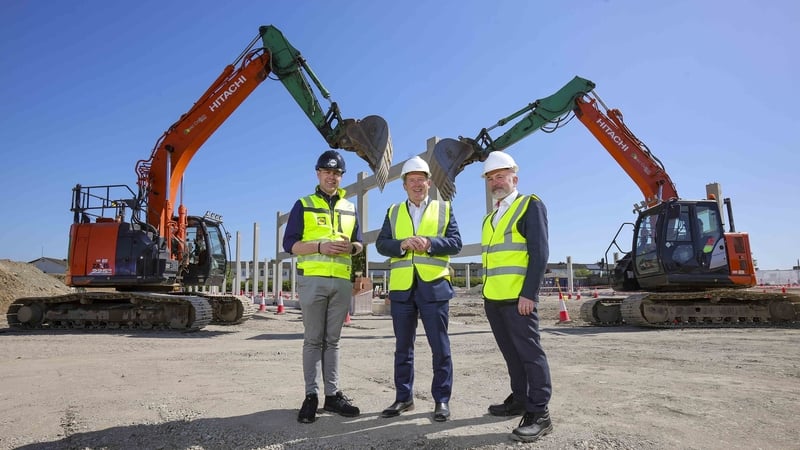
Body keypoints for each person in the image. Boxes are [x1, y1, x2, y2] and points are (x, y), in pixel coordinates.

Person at [375, 156, 462, 422]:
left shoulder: (444, 209)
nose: (416, 184)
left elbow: (456, 243)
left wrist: (429, 243)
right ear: (404, 185)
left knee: (440, 348)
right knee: (403, 348)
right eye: (411, 180)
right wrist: (401, 244)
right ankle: (404, 398)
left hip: (434, 288)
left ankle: (442, 401)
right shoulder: (393, 211)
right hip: (402, 290)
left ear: (429, 182)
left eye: (420, 180)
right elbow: (381, 244)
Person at [283, 150, 364, 424]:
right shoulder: (303, 205)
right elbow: (289, 245)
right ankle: (311, 396)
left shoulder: (350, 208)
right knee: (313, 340)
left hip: (341, 282)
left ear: (342, 177)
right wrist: (320, 246)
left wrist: (352, 248)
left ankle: (332, 396)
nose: (332, 177)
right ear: (318, 174)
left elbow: (360, 244)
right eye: (327, 172)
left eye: (337, 173)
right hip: (313, 280)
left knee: (334, 341)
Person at [480, 151, 553, 443]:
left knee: (530, 354)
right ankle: (520, 398)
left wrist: (529, 294)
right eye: (491, 178)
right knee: (511, 354)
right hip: (494, 299)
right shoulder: (490, 218)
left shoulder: (529, 205)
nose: (496, 181)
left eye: (501, 175)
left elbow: (540, 253)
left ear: (514, 178)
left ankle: (540, 413)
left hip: (518, 299)